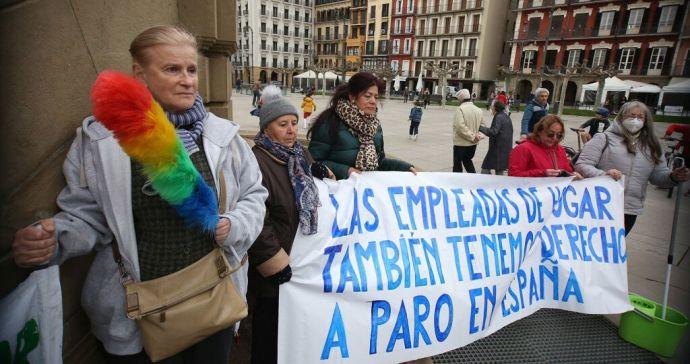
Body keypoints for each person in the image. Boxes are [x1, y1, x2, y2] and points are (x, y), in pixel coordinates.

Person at [11, 25, 268, 363]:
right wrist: (55, 238)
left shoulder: (224, 137)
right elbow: (87, 216)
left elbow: (254, 195)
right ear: (140, 73)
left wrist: (234, 225)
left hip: (214, 299)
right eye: (172, 69)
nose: (188, 80)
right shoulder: (103, 142)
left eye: (191, 69)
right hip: (137, 311)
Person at [249, 97, 331, 364]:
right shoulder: (257, 162)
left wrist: (317, 173)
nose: (291, 130)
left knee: (297, 327)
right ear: (266, 129)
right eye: (282, 124)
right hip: (277, 263)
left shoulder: (300, 154)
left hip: (304, 259)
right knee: (270, 326)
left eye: (294, 123)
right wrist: (273, 258)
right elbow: (257, 217)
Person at [575, 101, 689, 235]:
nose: (635, 120)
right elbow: (582, 165)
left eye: (640, 117)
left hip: (629, 209)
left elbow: (658, 176)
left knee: (614, 253)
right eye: (631, 115)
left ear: (646, 120)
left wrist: (673, 177)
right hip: (598, 206)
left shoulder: (652, 145)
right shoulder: (603, 138)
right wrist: (603, 175)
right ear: (621, 117)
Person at [308, 72, 417, 179]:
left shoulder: (374, 125)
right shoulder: (330, 122)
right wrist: (346, 171)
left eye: (376, 97)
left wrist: (404, 167)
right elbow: (313, 161)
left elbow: (379, 162)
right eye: (368, 96)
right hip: (339, 191)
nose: (373, 101)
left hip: (365, 192)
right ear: (352, 97)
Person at [509, 114, 582, 179]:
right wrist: (542, 173)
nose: (555, 138)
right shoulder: (523, 149)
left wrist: (573, 175)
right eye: (550, 134)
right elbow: (513, 176)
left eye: (559, 135)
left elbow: (568, 170)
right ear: (539, 131)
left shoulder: (560, 149)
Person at [453, 89, 484, 173]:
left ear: (461, 99)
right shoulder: (479, 110)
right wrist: (478, 136)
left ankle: (456, 181)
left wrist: (472, 136)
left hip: (461, 143)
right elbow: (483, 126)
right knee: (467, 160)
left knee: (457, 165)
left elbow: (460, 127)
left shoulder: (460, 109)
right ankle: (473, 178)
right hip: (473, 143)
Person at [479, 101, 513, 175]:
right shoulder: (506, 116)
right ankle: (498, 185)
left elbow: (493, 132)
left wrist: (480, 127)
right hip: (505, 148)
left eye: (492, 107)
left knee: (485, 169)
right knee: (499, 170)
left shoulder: (498, 116)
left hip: (497, 148)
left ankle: (487, 184)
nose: (491, 108)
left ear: (495, 108)